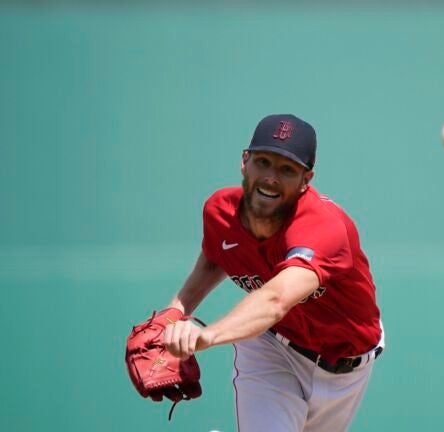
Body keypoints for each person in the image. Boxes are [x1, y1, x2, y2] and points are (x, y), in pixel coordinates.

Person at [161, 114, 385, 432]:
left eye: (286, 169)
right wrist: (174, 312)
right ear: (245, 161)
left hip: (345, 368)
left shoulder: (323, 227)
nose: (270, 178)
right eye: (263, 162)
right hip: (270, 348)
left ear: (306, 179)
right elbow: (217, 256)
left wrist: (205, 336)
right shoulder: (219, 211)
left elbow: (276, 299)